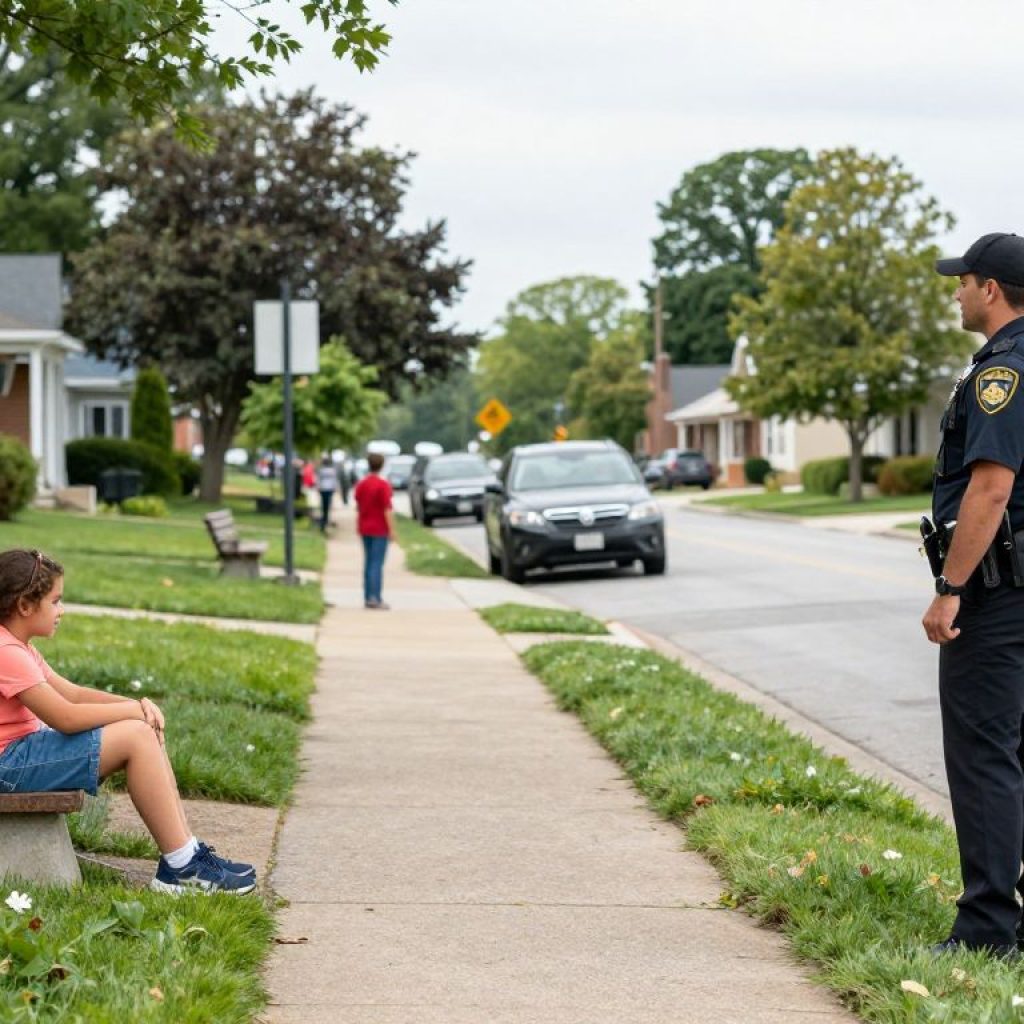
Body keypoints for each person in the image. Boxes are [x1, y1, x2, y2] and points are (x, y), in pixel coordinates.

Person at [0, 549, 255, 895]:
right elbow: (64, 716)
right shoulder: (6, 652)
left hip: (19, 756)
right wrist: (133, 714)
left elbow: (73, 694)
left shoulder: (18, 646)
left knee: (140, 730)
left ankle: (186, 855)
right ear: (25, 606)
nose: (62, 610)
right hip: (9, 766)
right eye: (55, 601)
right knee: (136, 736)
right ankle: (182, 868)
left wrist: (138, 705)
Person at [925, 232, 1024, 957]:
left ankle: (988, 929)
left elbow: (990, 489)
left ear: (990, 289)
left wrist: (951, 588)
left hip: (998, 597)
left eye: (962, 281)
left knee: (984, 755)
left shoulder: (1003, 375)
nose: (955, 291)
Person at [354, 452, 395, 610]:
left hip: (364, 527)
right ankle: (375, 597)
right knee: (376, 564)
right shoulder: (383, 485)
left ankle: (367, 596)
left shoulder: (362, 484)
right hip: (379, 528)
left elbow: (358, 504)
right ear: (382, 465)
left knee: (368, 562)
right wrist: (392, 530)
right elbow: (387, 509)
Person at [316, 454, 339, 533]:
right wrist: (335, 488)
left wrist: (318, 487)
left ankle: (324, 520)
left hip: (323, 489)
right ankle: (325, 519)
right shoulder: (332, 470)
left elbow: (318, 480)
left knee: (323, 505)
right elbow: (334, 481)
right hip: (329, 490)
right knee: (328, 505)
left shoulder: (321, 470)